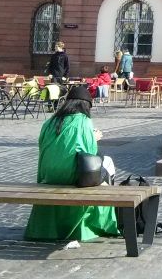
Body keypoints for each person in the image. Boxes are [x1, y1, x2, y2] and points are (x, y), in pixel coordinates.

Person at [24, 85, 120, 242]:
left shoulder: (50, 122)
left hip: (48, 175)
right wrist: (94, 138)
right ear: (86, 105)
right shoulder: (84, 122)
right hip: (72, 176)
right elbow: (90, 154)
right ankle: (99, 222)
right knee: (107, 164)